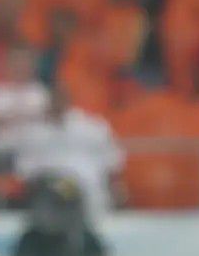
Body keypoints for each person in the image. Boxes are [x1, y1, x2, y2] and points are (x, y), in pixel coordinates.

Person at [13, 86, 125, 219]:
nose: (58, 104)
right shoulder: (34, 133)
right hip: (49, 190)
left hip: (88, 189)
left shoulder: (92, 127)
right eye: (54, 100)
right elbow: (24, 169)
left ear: (68, 101)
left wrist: (115, 186)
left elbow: (112, 161)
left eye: (61, 100)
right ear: (48, 103)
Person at [10, 175, 110, 256]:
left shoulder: (87, 240)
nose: (61, 213)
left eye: (67, 206)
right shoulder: (30, 241)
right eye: (56, 205)